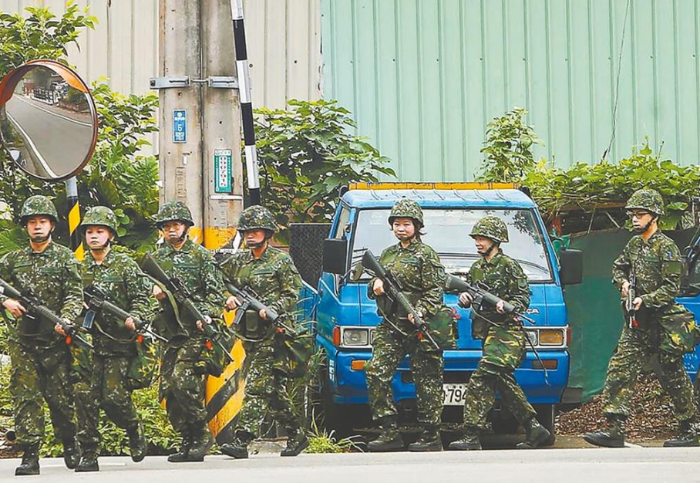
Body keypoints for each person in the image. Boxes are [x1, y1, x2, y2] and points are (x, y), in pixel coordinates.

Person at [584, 188, 700, 448]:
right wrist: (623, 282)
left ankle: (689, 428)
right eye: (633, 214)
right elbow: (618, 266)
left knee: (673, 374)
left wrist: (645, 299)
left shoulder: (666, 248)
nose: (635, 219)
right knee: (620, 370)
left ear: (654, 216)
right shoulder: (634, 244)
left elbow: (672, 288)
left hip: (662, 321)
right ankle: (615, 428)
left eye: (640, 214)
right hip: (636, 323)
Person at [449, 216, 550, 451]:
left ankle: (472, 435)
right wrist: (464, 299)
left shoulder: (508, 265)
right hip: (488, 333)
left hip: (507, 333)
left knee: (481, 378)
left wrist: (506, 304)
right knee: (502, 382)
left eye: (482, 238)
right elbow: (472, 296)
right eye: (476, 238)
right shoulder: (476, 268)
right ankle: (535, 429)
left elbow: (522, 298)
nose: (478, 242)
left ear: (496, 241)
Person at [0, 195, 83, 476]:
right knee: (25, 397)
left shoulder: (64, 257)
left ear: (52, 225)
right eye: (32, 222)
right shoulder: (12, 260)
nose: (37, 227)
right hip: (23, 339)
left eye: (43, 221)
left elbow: (74, 294)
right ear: (25, 227)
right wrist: (5, 302)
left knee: (60, 399)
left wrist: (66, 319)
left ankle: (70, 442)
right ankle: (30, 455)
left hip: (55, 339)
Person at [70, 206, 156, 471]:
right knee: (84, 396)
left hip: (118, 344)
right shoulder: (77, 267)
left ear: (110, 235)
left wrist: (136, 316)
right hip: (87, 344)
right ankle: (89, 453)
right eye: (90, 232)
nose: (94, 236)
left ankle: (133, 427)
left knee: (114, 398)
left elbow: (143, 297)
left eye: (100, 231)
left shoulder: (124, 265)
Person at [219, 205, 307, 458]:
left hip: (274, 333)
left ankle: (241, 439)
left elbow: (292, 292)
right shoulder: (238, 261)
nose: (250, 235)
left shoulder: (280, 261)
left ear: (267, 233)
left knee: (258, 384)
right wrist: (229, 297)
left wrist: (272, 309)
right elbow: (218, 279)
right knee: (274, 390)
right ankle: (297, 435)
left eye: (256, 231)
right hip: (250, 334)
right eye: (247, 231)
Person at [365, 198, 450, 452]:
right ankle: (389, 430)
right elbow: (374, 287)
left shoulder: (426, 255)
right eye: (397, 224)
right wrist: (375, 286)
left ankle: (430, 435)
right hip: (391, 325)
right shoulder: (388, 254)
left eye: (406, 224)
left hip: (419, 326)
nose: (401, 228)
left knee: (427, 380)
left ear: (417, 226)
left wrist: (420, 312)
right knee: (375, 372)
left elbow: (436, 290)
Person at [150, 201, 226, 462]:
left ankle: (201, 433)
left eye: (176, 224)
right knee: (168, 389)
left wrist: (203, 314)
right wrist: (156, 296)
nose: (172, 230)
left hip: (195, 331)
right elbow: (143, 293)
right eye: (167, 226)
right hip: (170, 331)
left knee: (183, 380)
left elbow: (216, 294)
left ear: (185, 227)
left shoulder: (201, 257)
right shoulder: (156, 260)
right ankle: (187, 437)